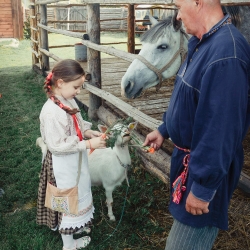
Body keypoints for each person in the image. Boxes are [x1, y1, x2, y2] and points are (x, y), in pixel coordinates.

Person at [143, 0, 250, 249]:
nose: (178, 16)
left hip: (205, 167)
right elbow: (191, 99)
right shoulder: (204, 42)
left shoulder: (226, 54)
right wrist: (164, 129)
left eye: (180, 6)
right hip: (192, 164)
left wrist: (202, 187)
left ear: (198, 2)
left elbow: (220, 130)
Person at [36, 59, 106, 250]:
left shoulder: (67, 100)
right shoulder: (51, 112)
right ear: (60, 83)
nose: (78, 91)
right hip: (61, 167)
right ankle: (69, 244)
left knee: (76, 194)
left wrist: (88, 133)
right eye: (76, 86)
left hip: (74, 162)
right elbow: (58, 145)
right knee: (66, 201)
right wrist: (89, 143)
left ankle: (74, 228)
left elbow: (77, 124)